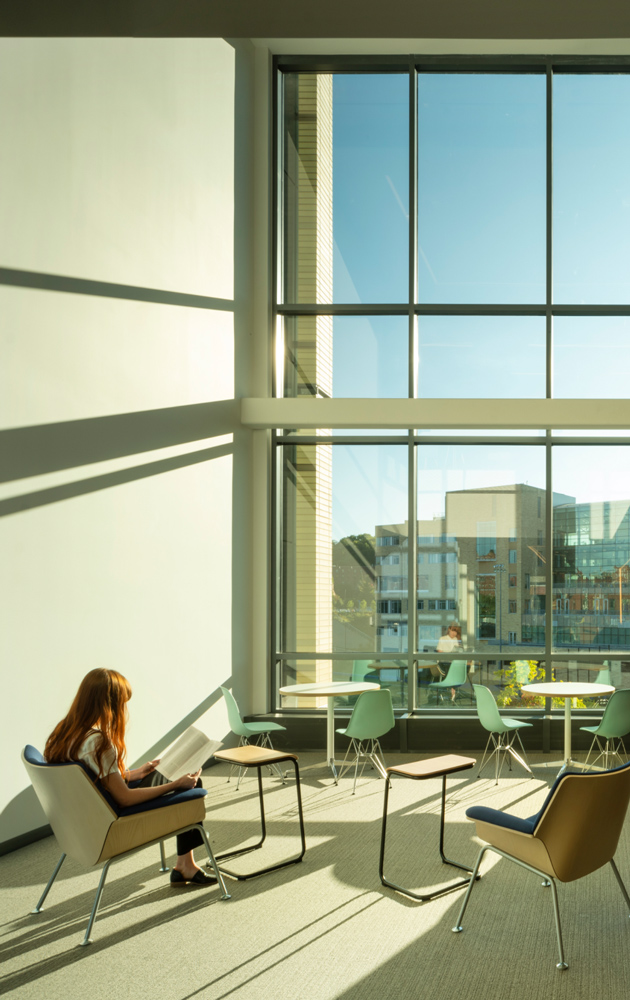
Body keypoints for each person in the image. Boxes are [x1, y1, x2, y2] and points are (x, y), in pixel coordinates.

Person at [44, 668, 215, 886]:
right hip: (115, 824)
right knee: (191, 786)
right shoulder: (98, 743)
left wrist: (134, 773)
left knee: (177, 779)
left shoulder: (65, 734)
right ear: (110, 705)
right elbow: (124, 798)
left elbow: (91, 781)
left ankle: (185, 865)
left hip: (82, 825)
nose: (124, 709)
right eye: (122, 702)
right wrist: (175, 784)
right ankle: (185, 866)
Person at [436, 623, 463, 702]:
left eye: (456, 632)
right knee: (450, 666)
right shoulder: (443, 638)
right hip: (444, 662)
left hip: (453, 662)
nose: (454, 633)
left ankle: (452, 689)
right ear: (449, 629)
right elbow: (439, 651)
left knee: (458, 666)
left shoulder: (456, 640)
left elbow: (458, 651)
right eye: (452, 631)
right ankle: (452, 690)